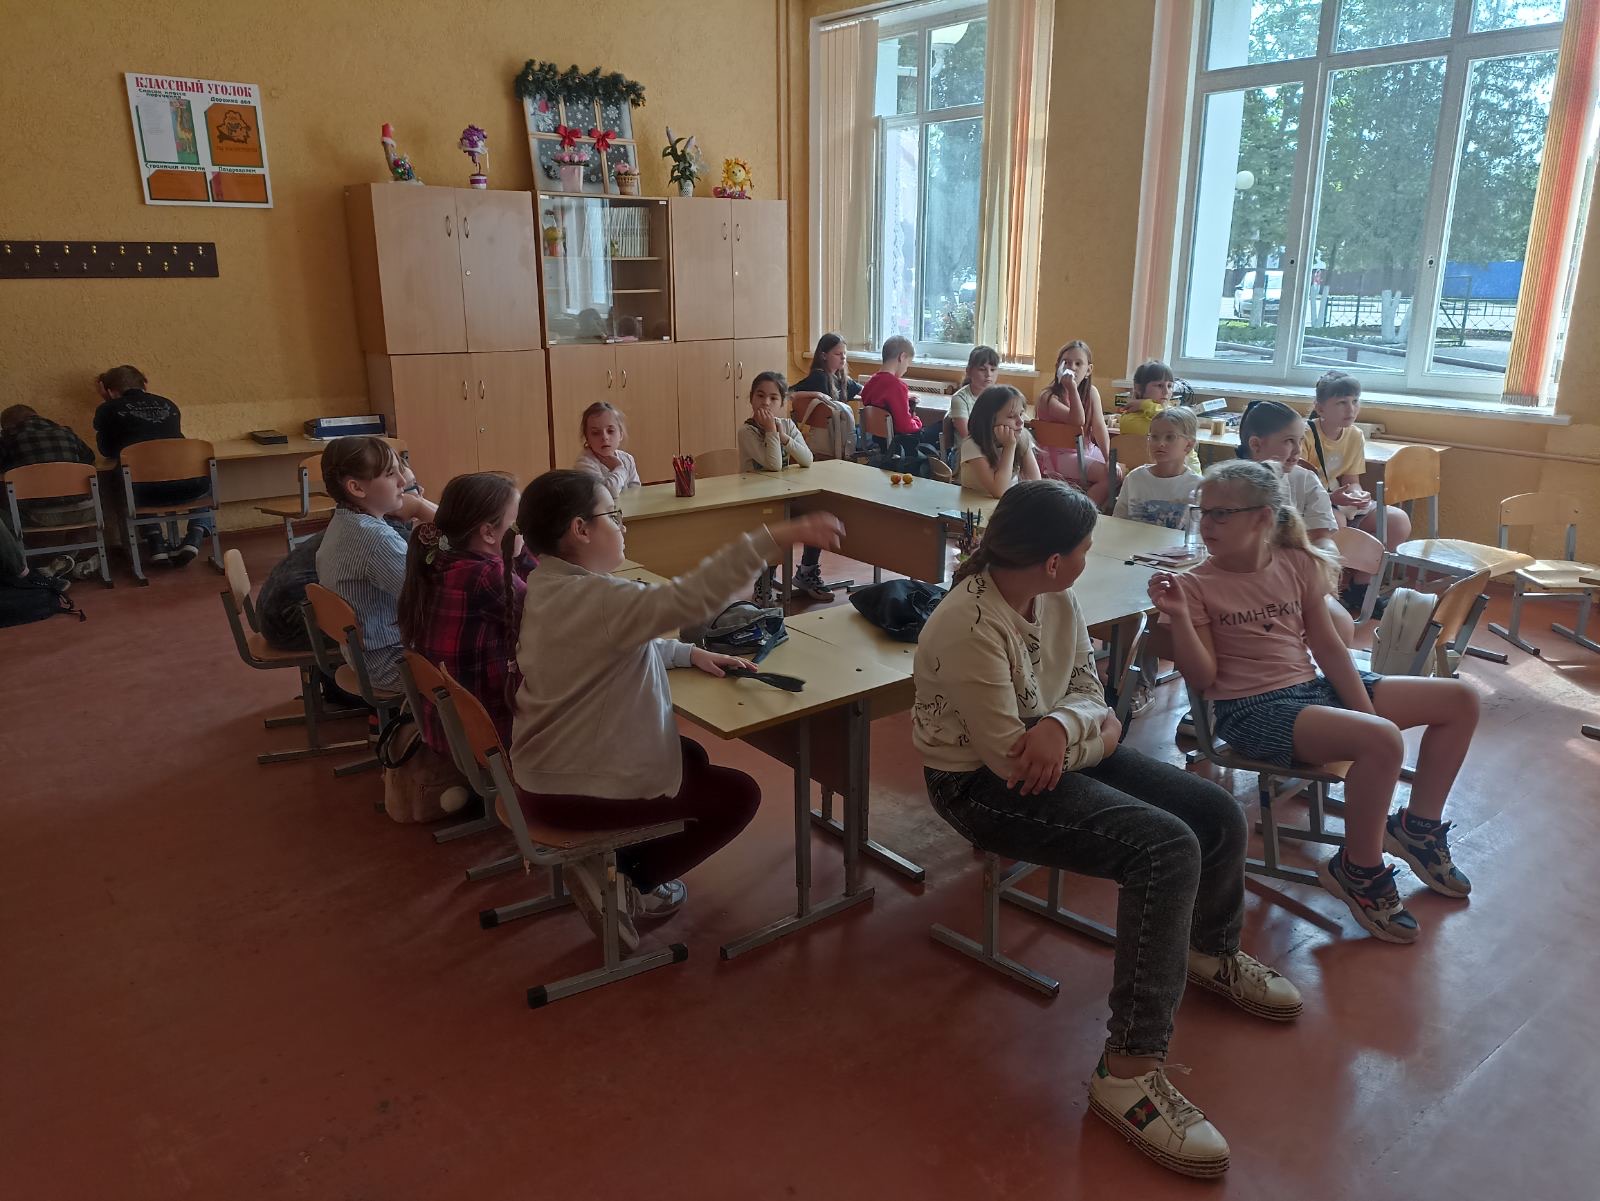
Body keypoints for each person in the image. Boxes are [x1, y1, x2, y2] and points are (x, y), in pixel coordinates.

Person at [914, 480, 1301, 1179]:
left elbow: (1090, 694)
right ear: (1053, 559)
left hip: (1055, 748)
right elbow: (1009, 762)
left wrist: (1065, 727)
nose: (1088, 559)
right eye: (1086, 548)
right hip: (978, 786)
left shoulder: (1054, 597)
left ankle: (1209, 950)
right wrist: (1089, 732)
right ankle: (1127, 1071)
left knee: (1214, 813)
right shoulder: (968, 624)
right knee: (1164, 847)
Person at [509, 469, 845, 950]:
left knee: (691, 757)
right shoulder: (602, 598)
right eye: (613, 516)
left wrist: (688, 653)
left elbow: (611, 643)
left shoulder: (548, 584)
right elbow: (692, 598)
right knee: (737, 796)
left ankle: (616, 863)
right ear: (580, 529)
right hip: (571, 788)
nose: (622, 525)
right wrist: (776, 536)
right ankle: (630, 881)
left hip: (540, 773)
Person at [1149, 460, 1479, 944]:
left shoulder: (1295, 562)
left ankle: (1417, 828)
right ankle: (1359, 869)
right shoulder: (1194, 584)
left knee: (1460, 700)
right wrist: (1178, 617)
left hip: (1309, 689)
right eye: (1204, 512)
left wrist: (1363, 712)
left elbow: (1327, 647)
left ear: (1262, 518)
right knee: (1381, 740)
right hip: (1251, 711)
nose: (1208, 523)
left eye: (1222, 513)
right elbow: (1203, 678)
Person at [397, 471, 530, 754]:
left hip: (451, 730)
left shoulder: (440, 559)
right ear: (488, 532)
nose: (525, 531)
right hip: (492, 739)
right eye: (519, 523)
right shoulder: (487, 575)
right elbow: (548, 614)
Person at [315, 436, 436, 695]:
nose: (403, 482)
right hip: (392, 664)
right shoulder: (377, 540)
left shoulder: (344, 520)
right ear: (357, 488)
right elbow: (432, 599)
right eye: (391, 474)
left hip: (366, 658)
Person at [1236, 399, 1354, 644]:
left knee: (1340, 623)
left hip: (1298, 583)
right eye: (1289, 441)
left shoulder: (1306, 481)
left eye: (1301, 440)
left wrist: (1321, 574)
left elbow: (1322, 539)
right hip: (1239, 585)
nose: (1298, 450)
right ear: (1256, 445)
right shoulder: (1228, 485)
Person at [1302, 371, 1406, 615]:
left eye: (1355, 401)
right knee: (1334, 522)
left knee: (1395, 520)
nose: (1351, 409)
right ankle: (1329, 592)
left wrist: (1359, 496)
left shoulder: (1355, 435)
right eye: (1341, 402)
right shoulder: (1304, 435)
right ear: (1320, 408)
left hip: (1339, 500)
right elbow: (1299, 487)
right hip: (1313, 502)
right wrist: (1331, 499)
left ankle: (1361, 587)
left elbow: (1351, 480)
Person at [91, 365, 212, 566]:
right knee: (206, 478)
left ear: (109, 391)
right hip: (188, 487)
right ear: (145, 384)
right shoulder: (169, 405)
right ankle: (195, 535)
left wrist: (109, 403)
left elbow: (107, 450)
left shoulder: (108, 409)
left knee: (127, 478)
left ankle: (155, 541)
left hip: (144, 493)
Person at [738, 371, 831, 604]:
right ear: (751, 399)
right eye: (760, 396)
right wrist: (771, 430)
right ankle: (764, 581)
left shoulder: (788, 426)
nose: (766, 403)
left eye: (773, 398)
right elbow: (774, 466)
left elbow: (807, 459)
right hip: (757, 500)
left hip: (785, 494)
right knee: (773, 525)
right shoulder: (747, 431)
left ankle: (807, 571)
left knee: (814, 514)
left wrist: (784, 437)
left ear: (782, 402)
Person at [1034, 341, 1116, 505]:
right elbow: (1077, 420)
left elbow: (1099, 428)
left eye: (1078, 364)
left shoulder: (1091, 392)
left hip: (1085, 450)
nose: (1072, 368)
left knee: (1117, 471)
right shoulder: (1048, 397)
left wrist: (1108, 459)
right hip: (1057, 457)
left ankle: (1087, 505)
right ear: (1058, 367)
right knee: (1109, 476)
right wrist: (1071, 389)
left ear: (1088, 370)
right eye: (1066, 362)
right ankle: (1082, 511)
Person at [0, 405, 97, 532]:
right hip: (85, 511)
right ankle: (76, 544)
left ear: (9, 426)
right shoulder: (67, 432)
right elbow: (89, 458)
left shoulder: (9, 439)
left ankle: (24, 545)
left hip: (38, 516)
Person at [1113, 406, 1201, 529]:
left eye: (1170, 437)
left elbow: (1198, 531)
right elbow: (1117, 521)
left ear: (1189, 445)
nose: (1160, 443)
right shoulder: (1134, 478)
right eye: (1154, 437)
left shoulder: (1197, 486)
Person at [860, 335, 941, 460]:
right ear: (902, 357)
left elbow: (879, 403)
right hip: (902, 442)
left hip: (881, 441)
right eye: (908, 364)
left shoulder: (870, 383)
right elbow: (905, 426)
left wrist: (905, 400)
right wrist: (917, 420)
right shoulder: (897, 386)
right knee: (942, 426)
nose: (906, 369)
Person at [1119, 360, 1201, 473]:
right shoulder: (1130, 418)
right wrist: (1146, 405)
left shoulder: (1167, 412)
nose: (1166, 391)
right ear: (1138, 387)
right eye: (1159, 385)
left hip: (1189, 473)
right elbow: (1167, 421)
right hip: (1155, 476)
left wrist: (1146, 404)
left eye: (1170, 386)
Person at [958, 386, 1040, 498]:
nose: (1020, 422)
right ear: (990, 421)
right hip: (974, 505)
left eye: (1021, 414)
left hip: (1006, 504)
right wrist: (1009, 447)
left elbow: (1036, 484)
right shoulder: (972, 445)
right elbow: (999, 491)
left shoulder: (1021, 437)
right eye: (1011, 416)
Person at [790, 332, 861, 456]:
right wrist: (815, 394)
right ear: (824, 356)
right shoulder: (819, 377)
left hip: (834, 437)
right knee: (870, 436)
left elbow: (863, 391)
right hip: (834, 438)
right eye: (838, 354)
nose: (843, 357)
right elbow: (788, 393)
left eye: (844, 353)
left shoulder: (842, 378)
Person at [574, 402, 642, 499]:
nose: (604, 437)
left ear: (621, 434)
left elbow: (637, 492)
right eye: (596, 433)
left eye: (610, 431)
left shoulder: (627, 459)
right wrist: (619, 468)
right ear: (587, 438)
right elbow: (607, 494)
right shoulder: (584, 464)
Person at [945, 345, 1000, 446]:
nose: (988, 374)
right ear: (969, 371)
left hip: (992, 446)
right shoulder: (960, 399)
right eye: (982, 369)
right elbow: (967, 436)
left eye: (993, 369)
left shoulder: (1000, 397)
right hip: (968, 450)